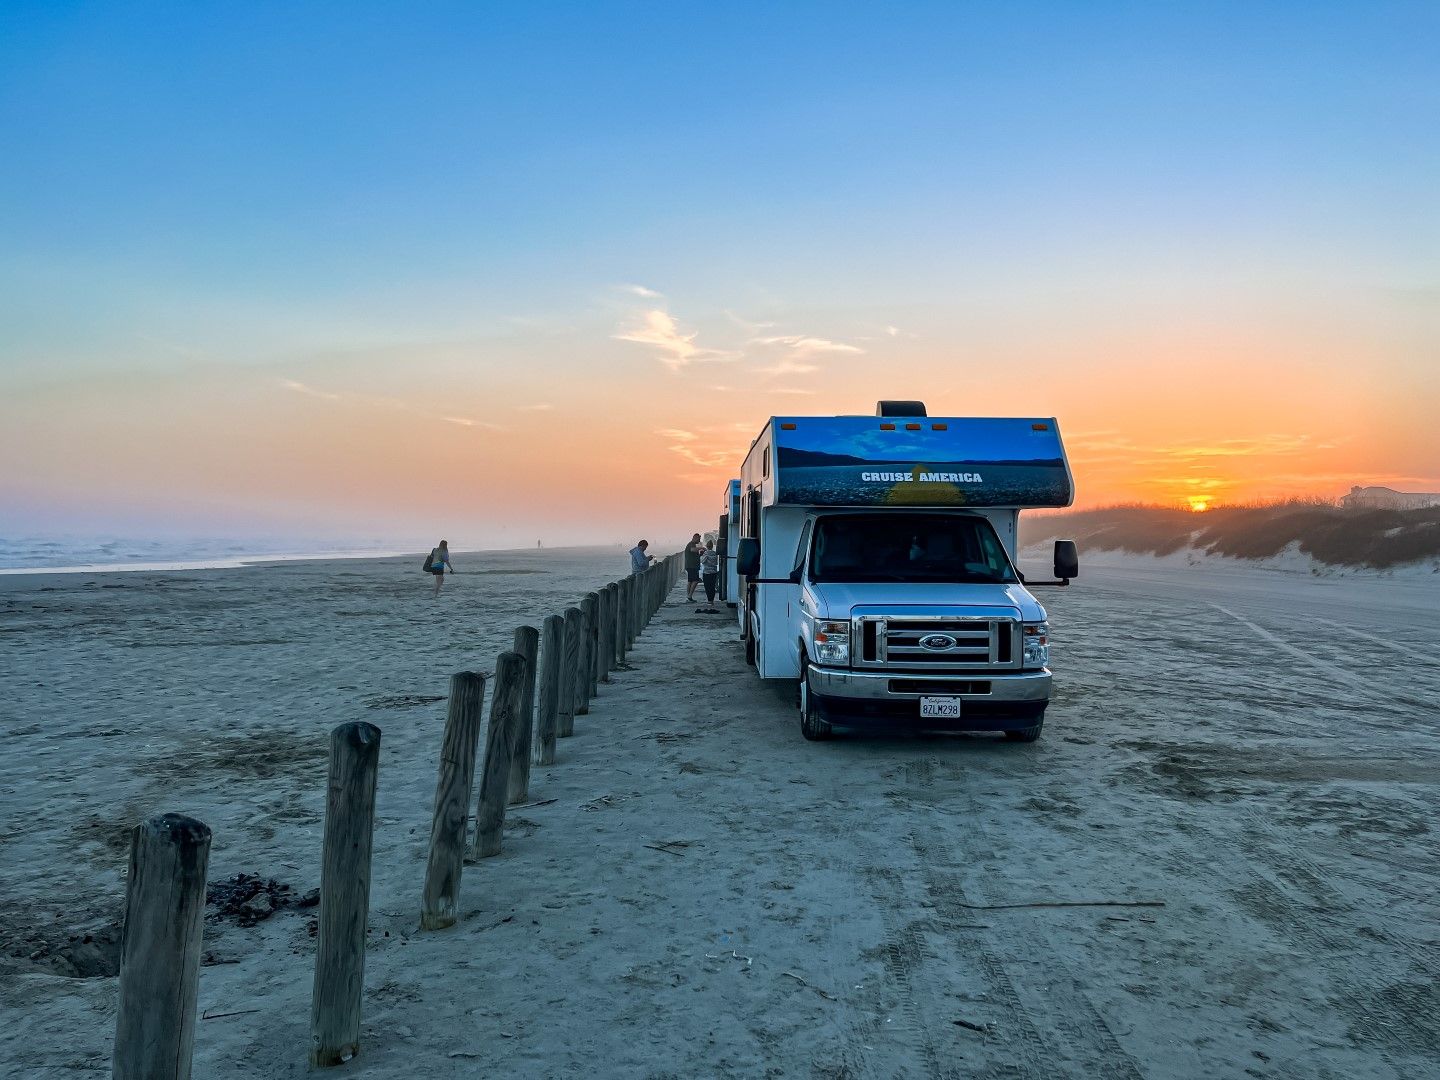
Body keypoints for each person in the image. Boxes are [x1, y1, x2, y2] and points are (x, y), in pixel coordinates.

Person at [684, 533, 704, 601]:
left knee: (690, 581)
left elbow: (694, 554)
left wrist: (700, 555)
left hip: (691, 566)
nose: (699, 540)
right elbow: (692, 550)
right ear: (695, 538)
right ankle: (689, 596)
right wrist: (702, 548)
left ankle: (688, 596)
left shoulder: (692, 544)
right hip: (692, 566)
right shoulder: (691, 544)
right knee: (695, 580)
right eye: (699, 539)